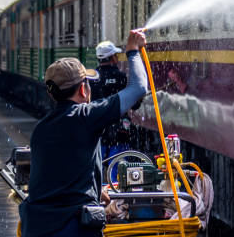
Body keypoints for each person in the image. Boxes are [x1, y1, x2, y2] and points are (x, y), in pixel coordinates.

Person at [19, 29, 148, 237]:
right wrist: (132, 51)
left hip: (36, 227)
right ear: (82, 90)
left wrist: (97, 191)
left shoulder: (41, 129)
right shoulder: (86, 116)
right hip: (71, 228)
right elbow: (139, 88)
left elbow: (62, 175)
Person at [90, 41, 130, 162]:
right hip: (120, 130)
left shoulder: (92, 78)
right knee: (119, 170)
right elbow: (134, 105)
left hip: (98, 129)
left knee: (98, 165)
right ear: (113, 57)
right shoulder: (121, 77)